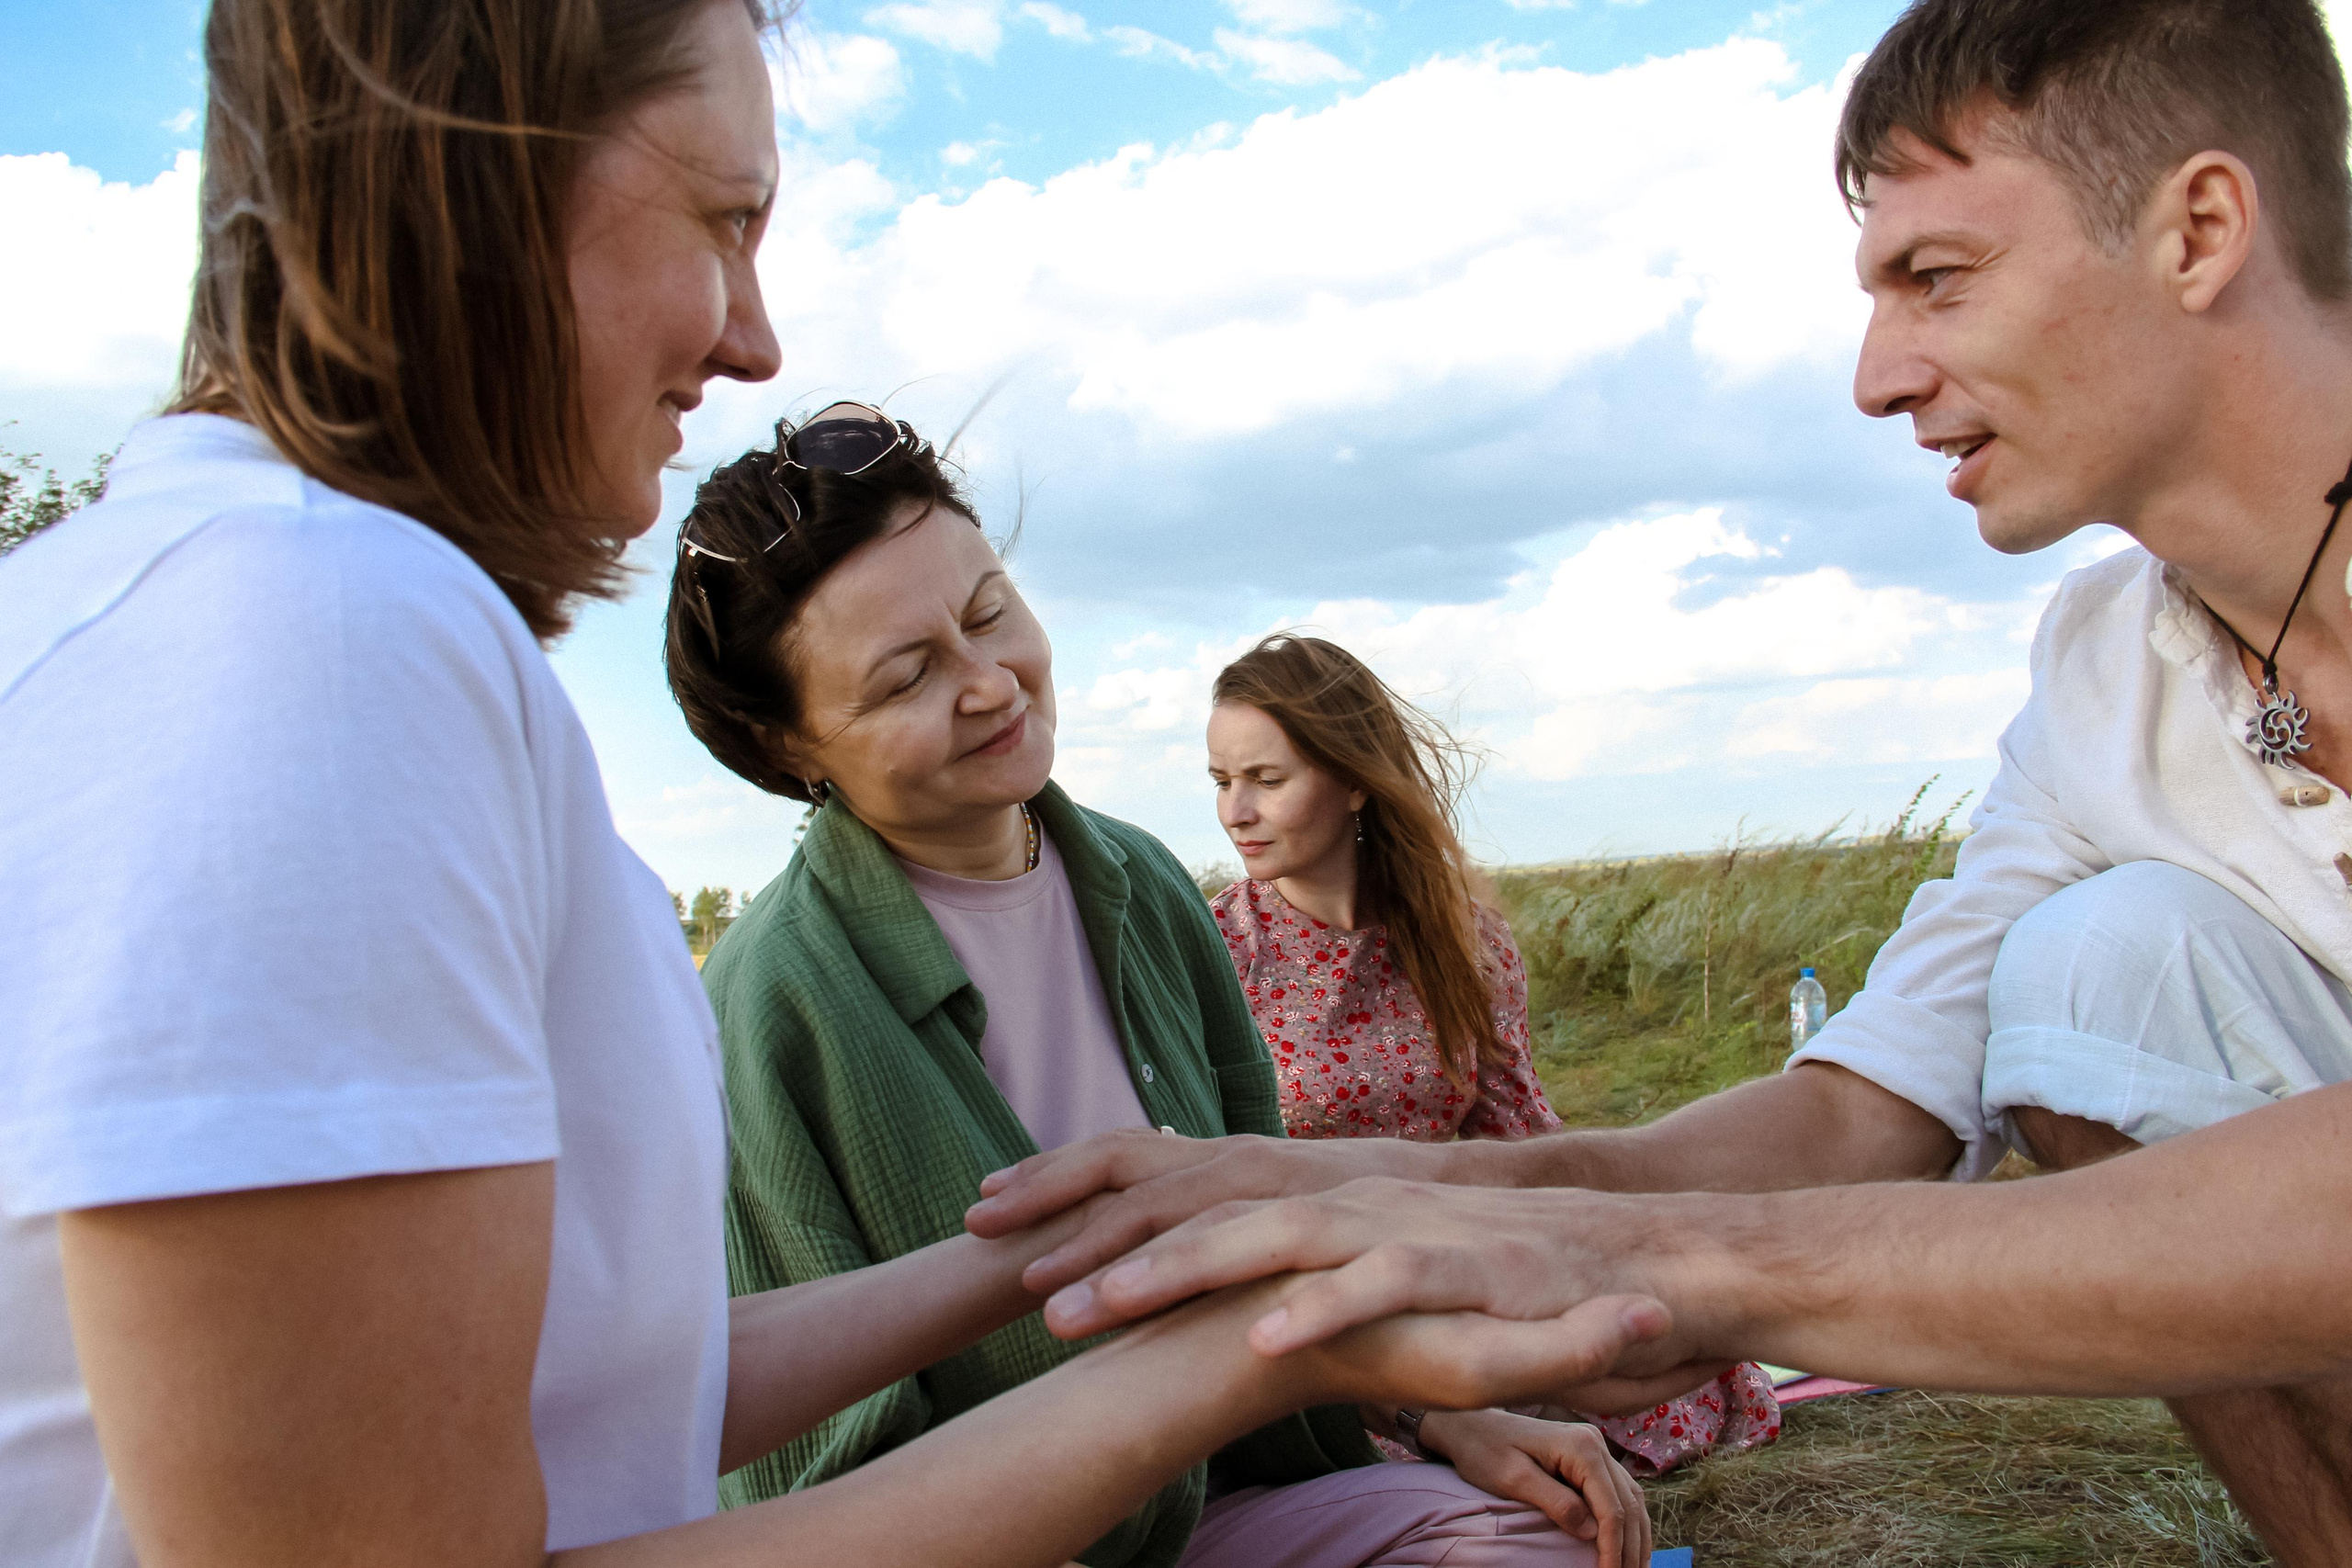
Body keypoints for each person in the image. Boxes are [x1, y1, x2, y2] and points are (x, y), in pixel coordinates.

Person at [0, 4, 1668, 1566]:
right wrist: (1239, 1346)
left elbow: (589, 1405)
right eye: (724, 219)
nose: (752, 334)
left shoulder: (180, 601)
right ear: (477, 183)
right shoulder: (311, 637)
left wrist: (1077, 1244)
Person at [962, 1, 2352, 1560]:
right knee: (2101, 970)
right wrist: (1379, 1196)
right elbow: (1862, 1108)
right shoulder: (2105, 670)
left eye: (1938, 278)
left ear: (2203, 228)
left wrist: (1711, 1265)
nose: (1876, 375)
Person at [664, 402, 1651, 1568]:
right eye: (905, 677)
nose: (990, 685)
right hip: (1012, 1541)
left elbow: (1268, 1231)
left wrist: (1440, 1413)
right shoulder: (769, 998)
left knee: (1542, 1547)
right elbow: (822, 1474)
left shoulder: (1141, 881)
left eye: (989, 614)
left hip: (1241, 1492)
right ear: (785, 746)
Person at [1204, 633, 1779, 1475]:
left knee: (1640, 1357)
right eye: (1222, 781)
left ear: (1354, 779)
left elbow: (1521, 1132)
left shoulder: (1459, 938)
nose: (1235, 812)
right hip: (1319, 1303)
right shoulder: (1217, 955)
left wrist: (1612, 1251)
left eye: (1266, 779)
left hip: (1461, 1264)